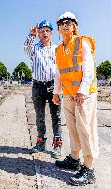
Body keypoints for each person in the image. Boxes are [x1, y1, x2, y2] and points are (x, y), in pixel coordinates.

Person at [52, 11, 99, 186]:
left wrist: (82, 90)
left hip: (84, 95)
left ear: (74, 27)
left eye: (69, 22)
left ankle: (89, 168)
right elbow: (59, 73)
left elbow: (89, 68)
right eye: (62, 22)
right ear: (59, 28)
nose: (65, 24)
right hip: (69, 96)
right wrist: (56, 92)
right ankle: (74, 159)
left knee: (85, 129)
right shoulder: (58, 49)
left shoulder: (82, 42)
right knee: (72, 128)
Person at [24, 20, 62, 158]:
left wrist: (59, 89)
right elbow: (26, 48)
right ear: (38, 34)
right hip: (38, 86)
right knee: (39, 116)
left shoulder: (57, 49)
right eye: (41, 31)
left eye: (47, 31)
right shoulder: (34, 49)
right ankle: (41, 142)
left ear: (51, 33)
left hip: (53, 86)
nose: (44, 33)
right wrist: (30, 35)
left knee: (56, 116)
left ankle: (57, 145)